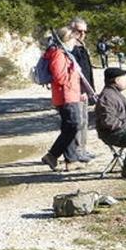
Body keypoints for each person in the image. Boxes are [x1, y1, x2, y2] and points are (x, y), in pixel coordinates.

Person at [41, 27, 83, 171]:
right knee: (73, 126)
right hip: (66, 96)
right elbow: (59, 77)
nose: (76, 41)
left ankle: (70, 161)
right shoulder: (58, 54)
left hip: (69, 95)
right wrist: (74, 70)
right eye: (74, 38)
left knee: (69, 127)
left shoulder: (63, 53)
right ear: (67, 39)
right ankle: (52, 155)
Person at [66, 16, 96, 163]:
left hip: (84, 91)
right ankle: (77, 152)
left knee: (84, 121)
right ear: (71, 30)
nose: (83, 34)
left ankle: (82, 149)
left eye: (85, 31)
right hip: (77, 92)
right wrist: (82, 91)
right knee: (79, 122)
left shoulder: (80, 45)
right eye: (79, 31)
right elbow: (75, 73)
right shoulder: (70, 48)